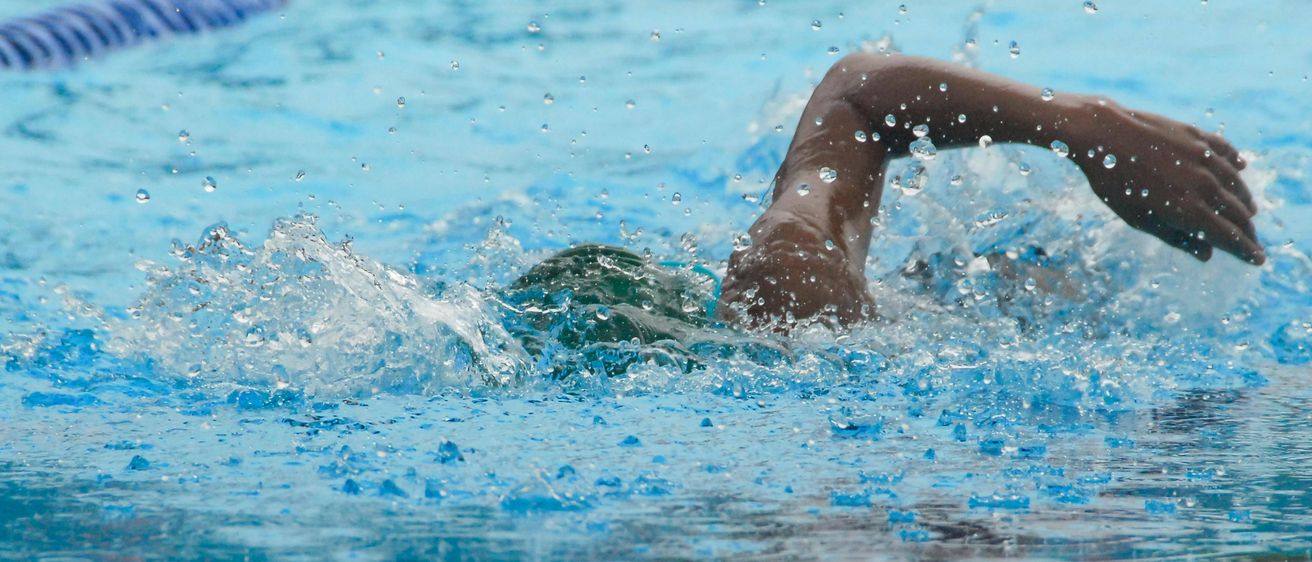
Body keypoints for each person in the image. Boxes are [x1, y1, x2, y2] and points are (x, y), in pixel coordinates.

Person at [503, 53, 1263, 370]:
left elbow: (860, 98)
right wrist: (1081, 125)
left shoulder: (788, 295)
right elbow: (857, 94)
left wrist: (1086, 125)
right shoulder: (790, 298)